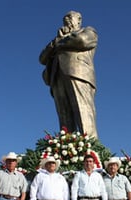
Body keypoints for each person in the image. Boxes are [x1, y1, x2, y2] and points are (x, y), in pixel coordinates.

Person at [39, 10, 98, 138]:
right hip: (57, 76)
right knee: (64, 114)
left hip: (78, 74)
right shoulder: (56, 40)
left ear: (79, 20)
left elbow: (82, 41)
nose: (67, 20)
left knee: (83, 110)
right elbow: (42, 58)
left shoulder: (88, 31)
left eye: (70, 18)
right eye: (65, 18)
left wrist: (61, 41)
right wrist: (56, 42)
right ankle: (66, 146)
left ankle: (90, 146)